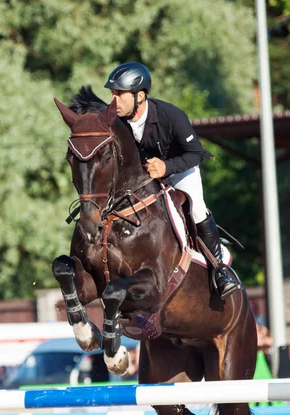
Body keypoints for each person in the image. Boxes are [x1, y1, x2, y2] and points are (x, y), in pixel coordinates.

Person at [104, 62, 242, 300]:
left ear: (140, 95)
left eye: (119, 94)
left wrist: (166, 166)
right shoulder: (116, 122)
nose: (114, 100)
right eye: (113, 94)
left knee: (196, 208)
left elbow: (196, 153)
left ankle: (220, 271)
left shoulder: (171, 115)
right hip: (142, 180)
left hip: (180, 170)